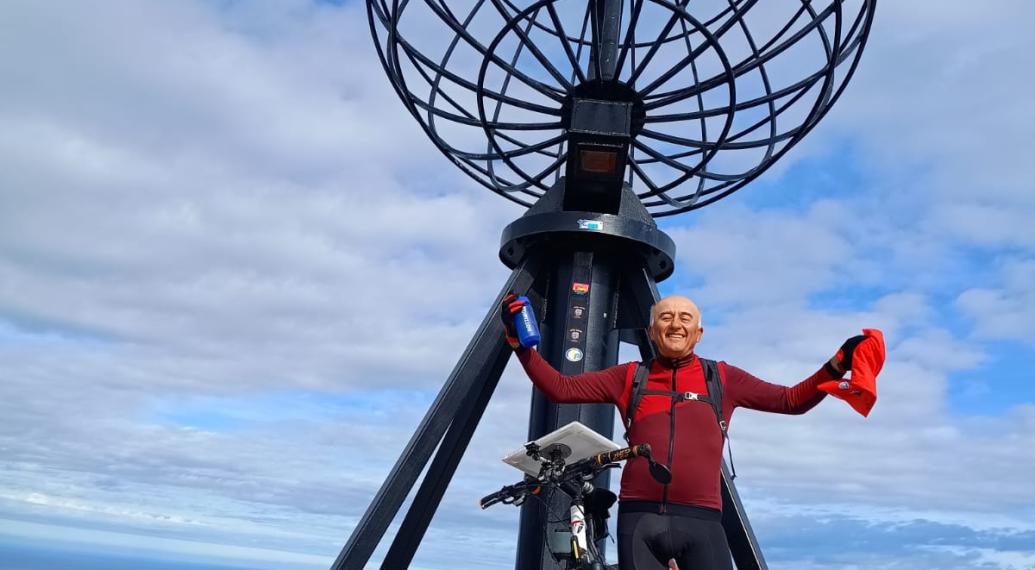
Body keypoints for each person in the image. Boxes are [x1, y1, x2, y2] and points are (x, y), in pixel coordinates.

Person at [501, 293, 868, 570]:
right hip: (639, 520)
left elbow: (791, 400)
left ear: (698, 332)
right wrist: (520, 347)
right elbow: (562, 388)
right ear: (651, 330)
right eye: (666, 317)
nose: (675, 324)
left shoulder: (722, 378)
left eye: (685, 318)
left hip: (702, 519)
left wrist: (836, 365)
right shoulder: (631, 376)